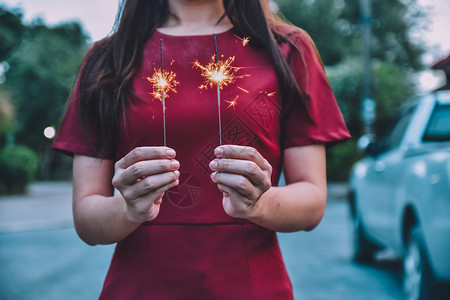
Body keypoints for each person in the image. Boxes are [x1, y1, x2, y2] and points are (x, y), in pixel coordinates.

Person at [53, 0, 350, 299]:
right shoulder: (107, 60)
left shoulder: (287, 50)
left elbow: (312, 201)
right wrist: (128, 209)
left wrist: (262, 203)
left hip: (252, 288)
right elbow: (87, 218)